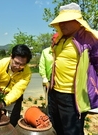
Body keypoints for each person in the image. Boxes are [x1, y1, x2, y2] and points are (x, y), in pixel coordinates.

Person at [48, 2, 98, 135]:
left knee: (72, 131)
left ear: (77, 21)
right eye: (61, 21)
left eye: (66, 21)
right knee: (56, 127)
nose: (62, 24)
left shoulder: (90, 38)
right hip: (54, 93)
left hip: (72, 96)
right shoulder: (59, 38)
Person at [0, 44, 32, 127]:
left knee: (12, 121)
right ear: (11, 57)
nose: (18, 67)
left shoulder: (27, 73)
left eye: (22, 64)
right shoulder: (1, 64)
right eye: (16, 62)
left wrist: (3, 103)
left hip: (14, 97)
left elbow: (17, 90)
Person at [39, 33, 58, 111]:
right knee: (50, 98)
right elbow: (42, 65)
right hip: (49, 79)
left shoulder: (62, 51)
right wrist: (44, 77)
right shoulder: (45, 52)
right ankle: (50, 115)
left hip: (60, 79)